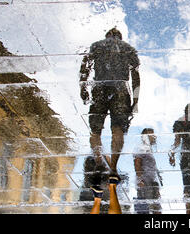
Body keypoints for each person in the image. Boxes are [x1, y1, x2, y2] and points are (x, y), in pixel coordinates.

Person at [79, 27, 140, 182]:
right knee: (118, 129)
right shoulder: (128, 49)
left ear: (106, 35)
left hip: (99, 88)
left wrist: (83, 86)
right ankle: (113, 167)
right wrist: (135, 99)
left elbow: (85, 66)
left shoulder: (97, 45)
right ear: (120, 37)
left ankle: (99, 162)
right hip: (120, 90)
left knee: (95, 130)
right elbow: (135, 75)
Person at [133, 128, 162, 214]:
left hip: (151, 183)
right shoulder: (141, 147)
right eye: (152, 135)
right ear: (145, 136)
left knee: (156, 208)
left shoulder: (148, 149)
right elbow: (137, 163)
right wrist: (140, 180)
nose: (154, 137)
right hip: (145, 183)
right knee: (145, 208)